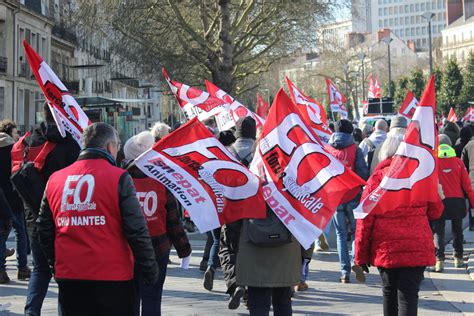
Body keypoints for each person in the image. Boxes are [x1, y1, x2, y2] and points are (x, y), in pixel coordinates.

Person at [36, 123, 159, 316]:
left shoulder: (55, 179)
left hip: (70, 275)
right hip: (113, 276)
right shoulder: (119, 177)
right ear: (110, 146)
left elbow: (44, 229)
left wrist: (55, 265)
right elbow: (136, 229)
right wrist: (150, 268)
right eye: (117, 145)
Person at [355, 134, 444, 316]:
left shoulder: (377, 180)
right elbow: (436, 211)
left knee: (389, 293)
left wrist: (360, 256)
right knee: (409, 296)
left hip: (386, 248)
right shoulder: (420, 177)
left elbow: (365, 220)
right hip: (416, 245)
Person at [11, 104, 80, 315]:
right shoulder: (70, 144)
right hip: (63, 215)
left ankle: (31, 312)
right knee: (66, 273)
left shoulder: (28, 140)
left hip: (34, 213)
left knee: (40, 270)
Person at [124, 131, 191, 316]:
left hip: (127, 248)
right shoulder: (161, 180)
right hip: (157, 247)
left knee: (130, 296)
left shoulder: (120, 179)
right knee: (153, 296)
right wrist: (184, 249)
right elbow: (173, 220)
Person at [236, 204, 300, 316]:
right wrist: (305, 256)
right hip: (286, 252)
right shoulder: (293, 187)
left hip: (253, 251)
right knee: (283, 302)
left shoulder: (244, 187)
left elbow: (231, 221)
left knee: (258, 304)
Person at [326, 119, 369, 283]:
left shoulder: (327, 150)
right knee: (357, 232)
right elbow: (363, 173)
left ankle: (344, 273)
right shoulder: (355, 150)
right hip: (353, 196)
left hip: (335, 197)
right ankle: (355, 261)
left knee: (340, 234)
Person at [219, 116, 256, 309]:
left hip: (232, 208)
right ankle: (251, 293)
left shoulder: (226, 152)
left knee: (228, 248)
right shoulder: (261, 151)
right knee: (253, 249)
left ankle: (234, 284)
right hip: (256, 209)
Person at [433, 134, 474, 272]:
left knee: (439, 231)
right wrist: (472, 201)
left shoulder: (434, 162)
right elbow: (467, 185)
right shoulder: (458, 162)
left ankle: (439, 261)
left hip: (440, 200)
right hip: (457, 201)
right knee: (457, 230)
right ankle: (458, 258)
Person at [0, 120, 30, 283]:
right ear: (9, 132)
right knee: (20, 232)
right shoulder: (13, 149)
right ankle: (22, 268)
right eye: (15, 132)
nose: (18, 135)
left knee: (1, 234)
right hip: (12, 195)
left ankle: (2, 271)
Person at [461, 137, 474, 231]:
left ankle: (472, 224)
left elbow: (463, 164)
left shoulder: (469, 145)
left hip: (472, 178)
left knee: (472, 205)